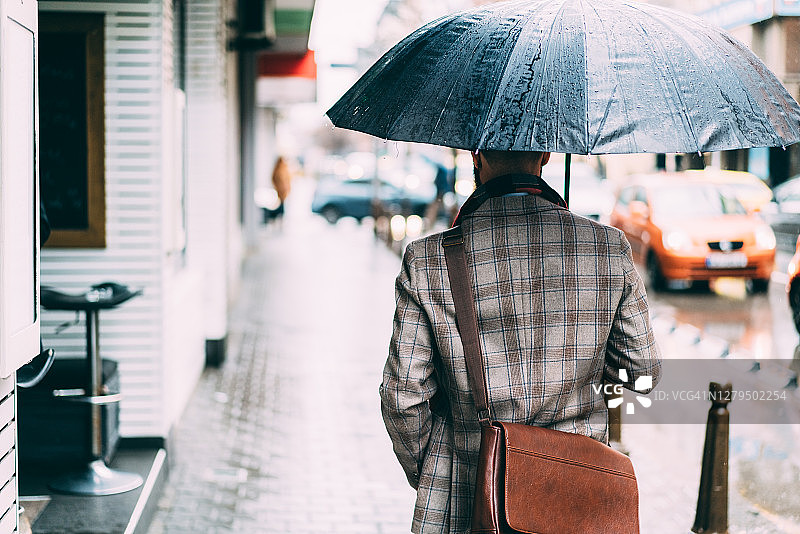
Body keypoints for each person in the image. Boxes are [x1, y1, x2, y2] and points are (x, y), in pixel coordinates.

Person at [379, 150, 662, 533]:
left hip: (463, 492)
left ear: (475, 155)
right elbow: (642, 371)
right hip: (574, 494)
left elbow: (402, 396)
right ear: (546, 155)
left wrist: (433, 468)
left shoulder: (427, 260)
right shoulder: (608, 248)